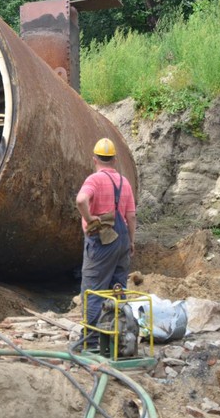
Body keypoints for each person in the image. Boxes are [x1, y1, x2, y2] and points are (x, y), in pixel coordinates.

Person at [75, 137, 137, 340]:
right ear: (114, 160)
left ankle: (92, 340)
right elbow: (131, 216)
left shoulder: (94, 179)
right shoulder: (124, 182)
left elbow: (81, 199)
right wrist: (131, 242)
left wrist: (89, 217)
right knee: (117, 289)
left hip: (102, 241)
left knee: (93, 290)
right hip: (122, 240)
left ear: (95, 159)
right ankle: (117, 336)